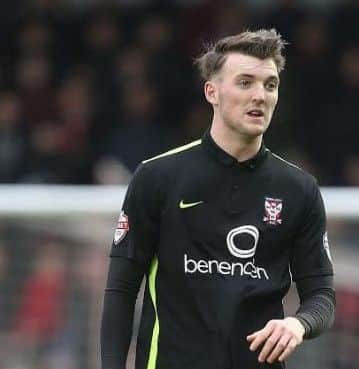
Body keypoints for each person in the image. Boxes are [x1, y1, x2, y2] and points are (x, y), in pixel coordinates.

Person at [100, 28, 335, 369]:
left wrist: (298, 324)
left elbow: (321, 296)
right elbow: (121, 289)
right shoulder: (158, 177)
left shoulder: (299, 190)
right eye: (245, 82)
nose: (260, 95)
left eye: (270, 85)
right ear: (212, 91)